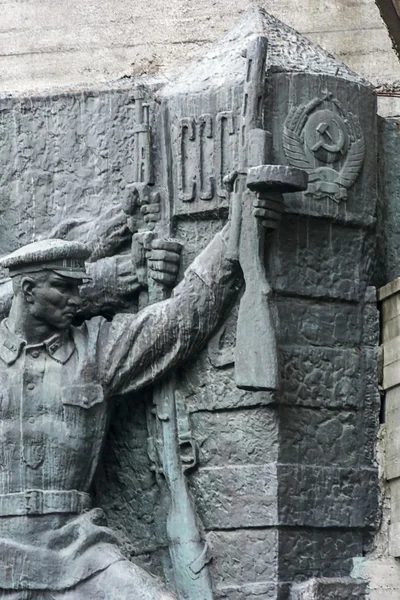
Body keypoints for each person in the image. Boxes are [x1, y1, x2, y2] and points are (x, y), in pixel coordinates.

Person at [0, 198, 278, 599]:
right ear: (26, 290)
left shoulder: (96, 349)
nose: (78, 299)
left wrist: (235, 235)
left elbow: (180, 320)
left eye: (80, 287)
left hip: (76, 551)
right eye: (64, 287)